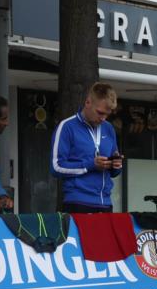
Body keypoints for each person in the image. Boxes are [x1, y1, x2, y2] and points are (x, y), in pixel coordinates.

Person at [51, 82, 122, 213]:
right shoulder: (67, 127)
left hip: (105, 203)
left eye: (107, 114)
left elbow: (114, 172)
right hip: (78, 202)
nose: (103, 118)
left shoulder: (108, 128)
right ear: (88, 102)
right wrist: (90, 165)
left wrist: (116, 166)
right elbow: (56, 167)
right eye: (100, 113)